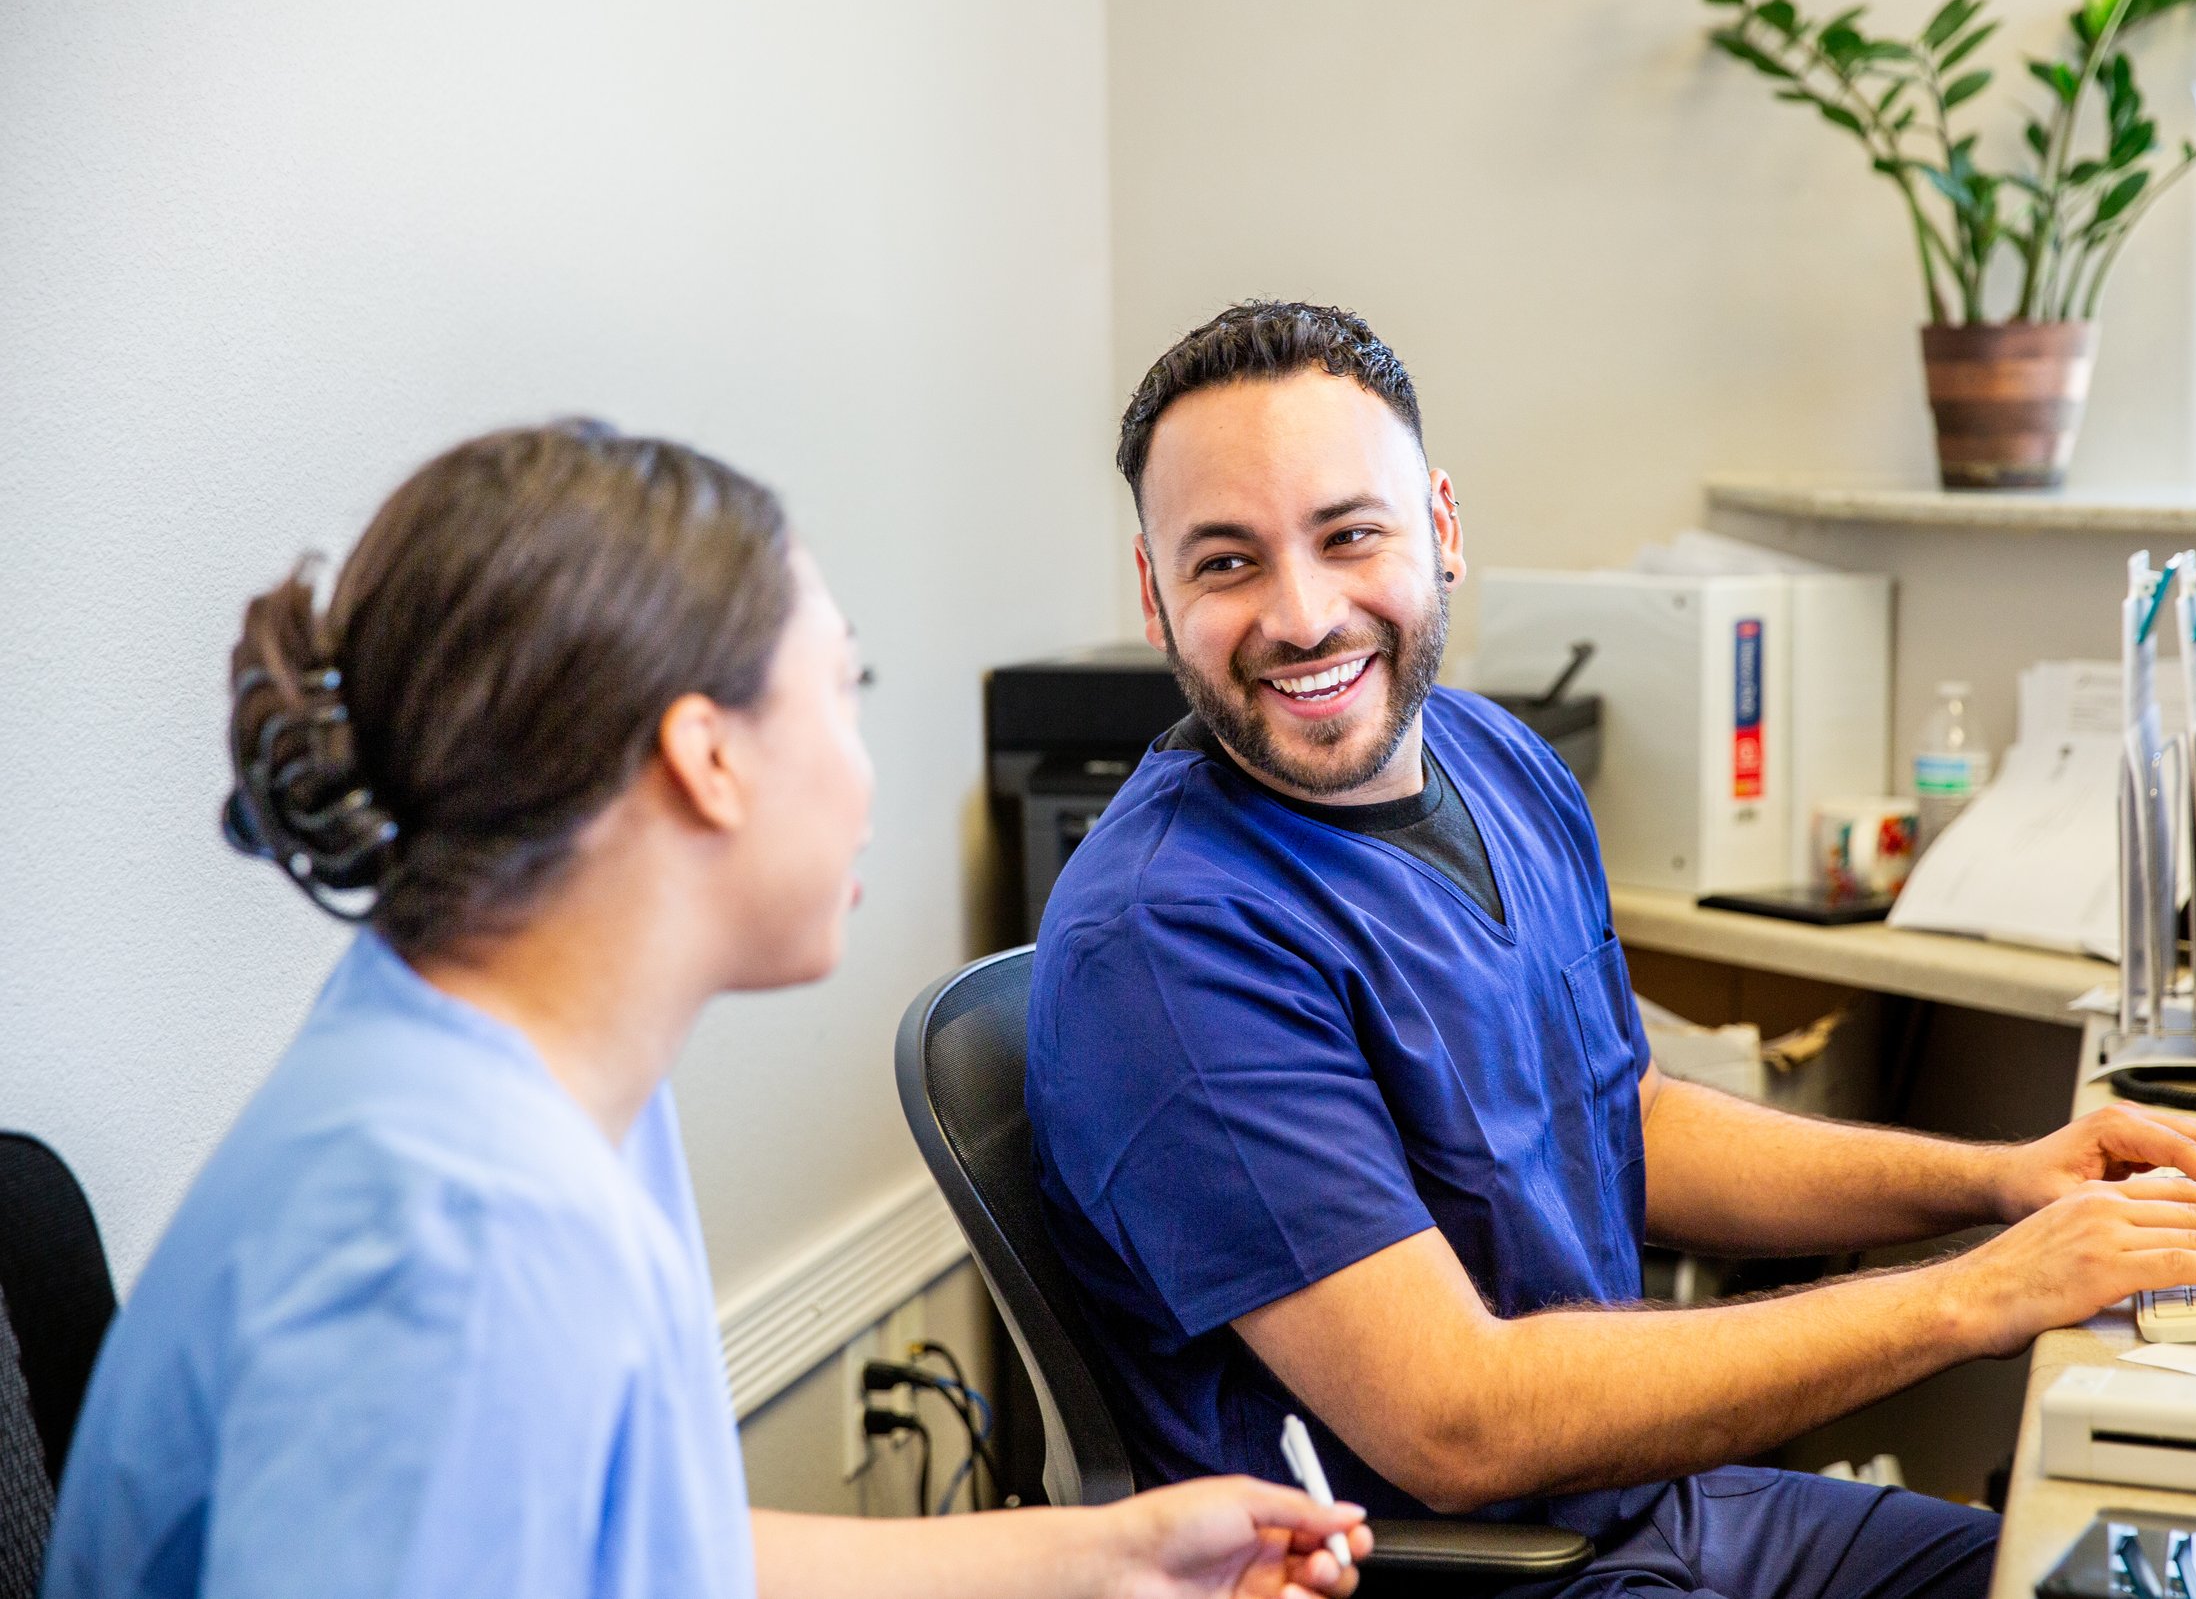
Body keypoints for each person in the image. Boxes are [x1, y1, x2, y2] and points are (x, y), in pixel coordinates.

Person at [1022, 302, 2196, 1599]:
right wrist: (1978, 1294)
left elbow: (1621, 1118)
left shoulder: (1499, 762)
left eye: (1350, 534)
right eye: (1227, 562)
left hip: (1657, 1512)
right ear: (1154, 593)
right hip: (1495, 1573)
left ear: (1443, 529)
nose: (1303, 616)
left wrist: (2000, 1181)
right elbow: (1457, 1421)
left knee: (2138, 1580)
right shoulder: (1168, 942)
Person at [42, 421, 1371, 1599]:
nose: (863, 775)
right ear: (711, 758)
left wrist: (1105, 1563)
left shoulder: (524, 1061)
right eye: (843, 691)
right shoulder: (450, 1236)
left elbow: (643, 1553)